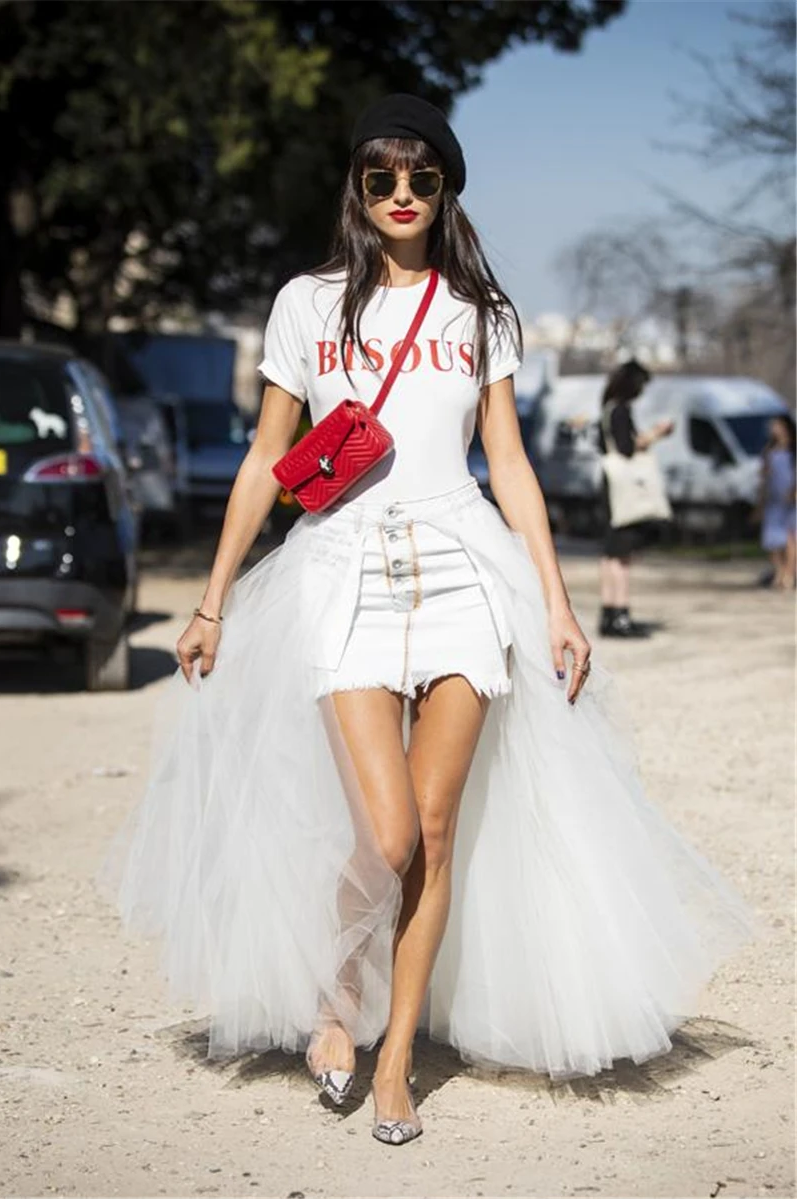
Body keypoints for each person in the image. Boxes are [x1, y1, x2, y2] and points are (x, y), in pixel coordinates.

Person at [97, 95, 758, 1147]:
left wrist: (557, 602)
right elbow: (269, 462)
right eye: (381, 178)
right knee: (388, 830)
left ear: (445, 189)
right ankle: (334, 994)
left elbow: (507, 460)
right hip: (341, 572)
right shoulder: (306, 306)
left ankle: (395, 1054)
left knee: (436, 832)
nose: (401, 195)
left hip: (463, 570)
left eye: (421, 178)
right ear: (357, 190)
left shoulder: (481, 312)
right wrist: (213, 598)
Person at [597, 359, 674, 638]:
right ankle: (620, 614)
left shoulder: (607, 409)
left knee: (610, 553)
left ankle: (609, 613)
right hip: (623, 490)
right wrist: (656, 434)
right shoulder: (620, 410)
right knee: (621, 555)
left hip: (610, 486)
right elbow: (627, 448)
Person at [758, 416, 796, 590]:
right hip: (774, 498)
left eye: (777, 425)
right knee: (773, 538)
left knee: (790, 536)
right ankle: (779, 571)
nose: (774, 428)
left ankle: (789, 573)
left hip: (792, 498)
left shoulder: (793, 449)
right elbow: (764, 476)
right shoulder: (769, 450)